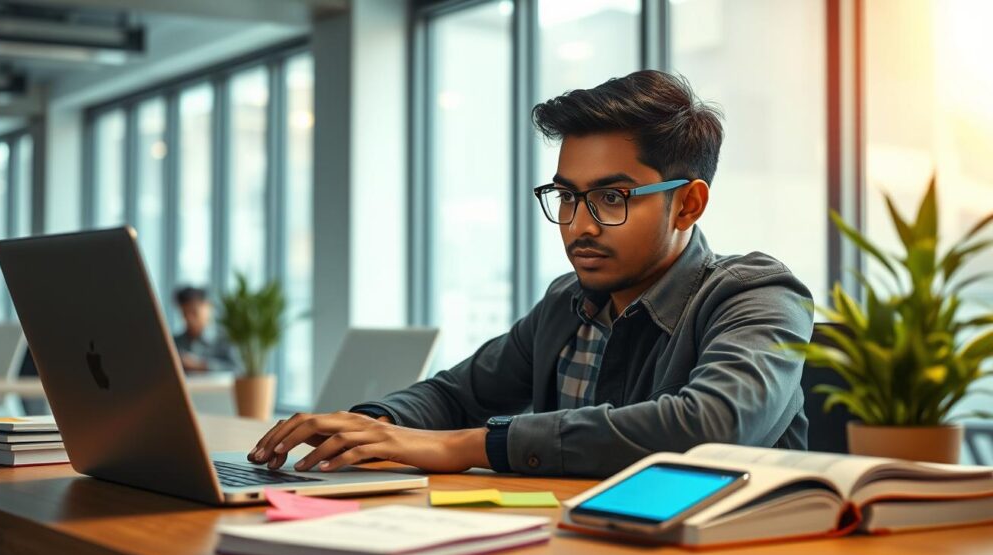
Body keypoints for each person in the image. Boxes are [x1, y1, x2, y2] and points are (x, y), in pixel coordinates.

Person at [248, 70, 814, 478]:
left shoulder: (756, 294)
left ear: (688, 205)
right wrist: (363, 426)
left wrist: (467, 447)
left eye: (611, 197)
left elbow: (711, 426)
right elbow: (455, 394)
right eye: (566, 196)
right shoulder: (568, 303)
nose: (578, 226)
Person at [172, 286, 236, 373]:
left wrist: (201, 365)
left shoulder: (226, 338)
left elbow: (238, 370)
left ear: (208, 307)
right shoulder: (174, 342)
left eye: (194, 312)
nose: (189, 319)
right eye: (184, 313)